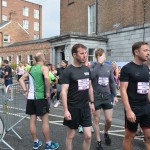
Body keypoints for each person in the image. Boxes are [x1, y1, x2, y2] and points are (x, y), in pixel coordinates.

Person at [19, 53, 59, 150]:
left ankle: (36, 142)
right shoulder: (44, 67)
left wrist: (25, 91)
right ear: (42, 58)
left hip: (31, 98)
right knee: (45, 121)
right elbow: (46, 78)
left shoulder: (31, 68)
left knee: (32, 120)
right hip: (40, 97)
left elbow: (21, 79)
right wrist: (48, 92)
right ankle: (48, 144)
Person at [61, 43, 95, 150]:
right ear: (74, 55)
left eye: (85, 53)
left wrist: (92, 102)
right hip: (73, 107)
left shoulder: (86, 69)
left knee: (88, 136)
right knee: (71, 135)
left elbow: (89, 87)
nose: (85, 55)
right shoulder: (68, 71)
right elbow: (63, 91)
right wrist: (66, 110)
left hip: (85, 107)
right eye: (82, 53)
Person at [120, 41, 150, 150]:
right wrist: (128, 110)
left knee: (149, 136)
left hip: (146, 107)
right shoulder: (127, 68)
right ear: (136, 52)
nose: (148, 53)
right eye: (145, 50)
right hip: (133, 108)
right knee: (130, 137)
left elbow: (147, 88)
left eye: (148, 50)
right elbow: (123, 90)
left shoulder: (146, 68)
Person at [90, 48, 118, 150]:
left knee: (109, 119)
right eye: (101, 55)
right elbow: (91, 77)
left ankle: (106, 132)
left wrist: (114, 95)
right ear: (97, 57)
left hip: (107, 96)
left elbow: (112, 82)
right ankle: (98, 141)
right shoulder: (93, 66)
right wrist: (98, 63)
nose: (103, 57)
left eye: (104, 55)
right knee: (96, 119)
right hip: (96, 96)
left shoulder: (109, 67)